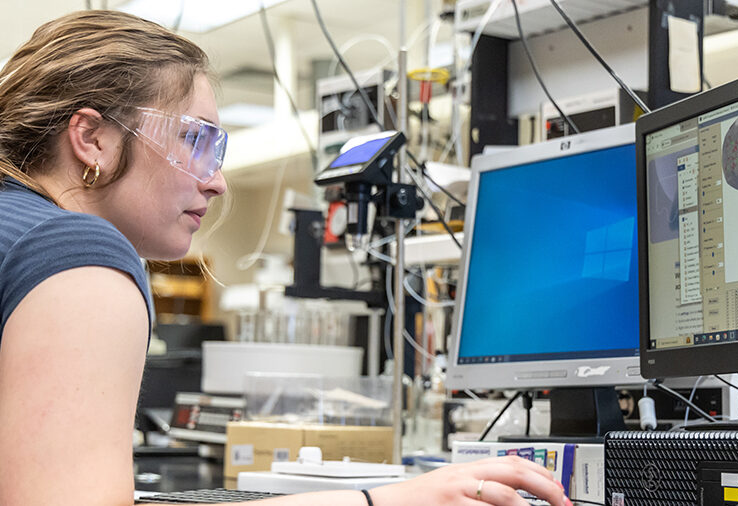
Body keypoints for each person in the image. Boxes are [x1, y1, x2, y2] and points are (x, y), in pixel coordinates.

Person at [0, 10, 572, 506]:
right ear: (92, 136)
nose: (217, 181)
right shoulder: (79, 258)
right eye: (196, 141)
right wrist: (382, 499)